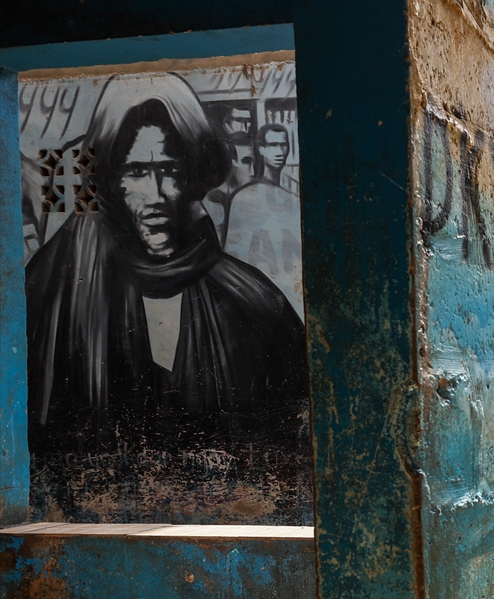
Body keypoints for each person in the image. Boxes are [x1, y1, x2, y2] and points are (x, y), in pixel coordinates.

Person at [25, 73, 309, 456]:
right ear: (111, 179)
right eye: (137, 171)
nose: (155, 193)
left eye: (170, 171)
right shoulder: (48, 292)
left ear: (191, 177)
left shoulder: (253, 304)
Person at [224, 124, 304, 318]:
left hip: (290, 297)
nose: (279, 152)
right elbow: (233, 261)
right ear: (261, 148)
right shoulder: (242, 198)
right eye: (273, 145)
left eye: (283, 145)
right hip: (257, 300)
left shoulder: (293, 200)